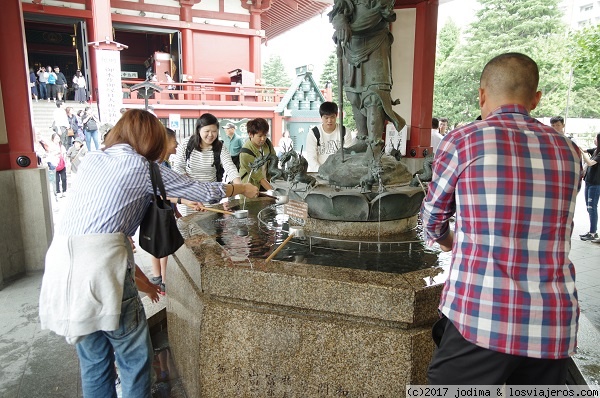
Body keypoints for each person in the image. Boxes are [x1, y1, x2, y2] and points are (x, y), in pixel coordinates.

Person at [38, 109, 259, 398]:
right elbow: (200, 191)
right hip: (102, 268)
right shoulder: (142, 167)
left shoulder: (92, 159)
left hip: (60, 265)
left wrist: (142, 279)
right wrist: (239, 187)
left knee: (94, 363)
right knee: (134, 360)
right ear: (150, 139)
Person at [421, 53, 582, 385]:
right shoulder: (569, 151)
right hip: (551, 323)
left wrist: (451, 240)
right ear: (535, 99)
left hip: (480, 316)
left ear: (482, 94)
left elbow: (432, 220)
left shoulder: (464, 141)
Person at [329, 0, 405, 173]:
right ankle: (363, 139)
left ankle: (374, 144)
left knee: (374, 94)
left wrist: (349, 28)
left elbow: (380, 12)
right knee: (353, 93)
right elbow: (337, 11)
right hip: (351, 46)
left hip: (376, 42)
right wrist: (340, 23)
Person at [173, 113, 242, 215]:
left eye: (214, 131)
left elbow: (230, 167)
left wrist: (240, 187)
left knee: (208, 227)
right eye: (207, 131)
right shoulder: (187, 144)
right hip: (188, 199)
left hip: (210, 200)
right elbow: (178, 167)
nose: (210, 135)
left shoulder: (220, 147)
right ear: (198, 130)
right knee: (188, 227)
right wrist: (193, 189)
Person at [149, 128, 181, 295]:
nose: (176, 145)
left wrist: (176, 211)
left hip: (163, 211)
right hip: (159, 212)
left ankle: (158, 278)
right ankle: (163, 280)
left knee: (158, 245)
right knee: (164, 246)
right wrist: (182, 200)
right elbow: (162, 194)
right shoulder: (156, 165)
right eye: (174, 141)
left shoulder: (164, 163)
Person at [305, 101, 354, 172]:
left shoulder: (345, 132)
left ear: (336, 116)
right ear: (321, 117)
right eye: (326, 118)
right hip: (318, 171)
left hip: (340, 172)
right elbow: (311, 157)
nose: (329, 120)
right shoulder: (313, 133)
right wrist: (320, 171)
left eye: (332, 117)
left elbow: (348, 155)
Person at [239, 117, 276, 191]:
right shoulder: (245, 153)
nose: (263, 139)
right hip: (251, 188)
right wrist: (273, 192)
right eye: (260, 136)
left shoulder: (267, 144)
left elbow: (274, 161)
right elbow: (259, 177)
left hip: (267, 183)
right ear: (250, 134)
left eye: (265, 135)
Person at [580, 133, 600, 242]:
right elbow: (583, 149)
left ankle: (593, 233)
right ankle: (592, 231)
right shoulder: (595, 150)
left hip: (595, 185)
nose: (594, 140)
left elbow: (590, 163)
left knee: (592, 208)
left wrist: (584, 155)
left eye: (596, 138)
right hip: (588, 182)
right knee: (589, 208)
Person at [50, 132, 68, 197]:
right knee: (56, 179)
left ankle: (64, 190)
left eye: (58, 138)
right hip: (54, 164)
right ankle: (58, 191)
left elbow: (64, 154)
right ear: (53, 139)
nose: (57, 140)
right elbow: (50, 155)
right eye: (56, 138)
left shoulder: (61, 146)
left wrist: (65, 160)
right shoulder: (50, 147)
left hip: (62, 164)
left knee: (64, 178)